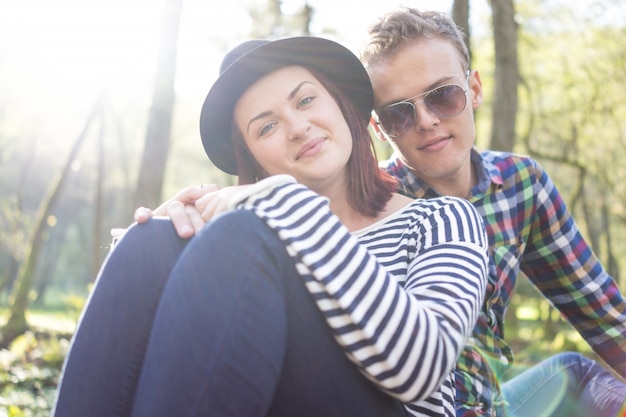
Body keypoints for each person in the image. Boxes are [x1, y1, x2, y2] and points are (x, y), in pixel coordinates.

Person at [143, 8, 626, 417]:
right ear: (376, 125)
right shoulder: (367, 200)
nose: (428, 121)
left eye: (444, 95)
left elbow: (603, 314)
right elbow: (283, 202)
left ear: (473, 90)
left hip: (489, 398)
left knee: (577, 373)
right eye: (399, 112)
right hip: (387, 393)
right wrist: (185, 223)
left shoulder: (521, 186)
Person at [51, 36, 490, 417]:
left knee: (242, 237)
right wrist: (169, 245)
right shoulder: (240, 239)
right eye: (267, 127)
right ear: (254, 160)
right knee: (149, 242)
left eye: (305, 100)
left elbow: (421, 367)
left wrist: (284, 200)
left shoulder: (443, 219)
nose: (298, 128)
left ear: (341, 105)